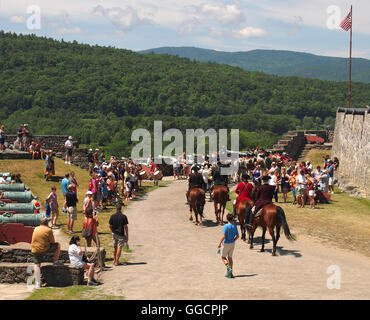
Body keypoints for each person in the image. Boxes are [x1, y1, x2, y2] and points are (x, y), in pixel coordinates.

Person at [31, 218, 63, 289]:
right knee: (58, 245)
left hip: (35, 249)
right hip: (44, 248)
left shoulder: (36, 228)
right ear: (47, 223)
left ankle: (37, 283)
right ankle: (55, 261)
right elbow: (53, 242)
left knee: (37, 265)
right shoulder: (48, 230)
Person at [217, 213, 239, 278]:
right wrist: (233, 240)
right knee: (230, 258)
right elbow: (237, 236)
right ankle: (230, 273)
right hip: (232, 243)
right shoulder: (234, 226)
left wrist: (220, 243)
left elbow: (224, 236)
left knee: (223, 257)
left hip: (226, 243)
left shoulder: (226, 226)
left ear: (227, 219)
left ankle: (228, 268)